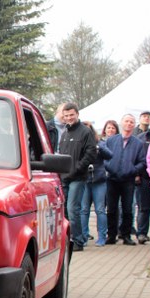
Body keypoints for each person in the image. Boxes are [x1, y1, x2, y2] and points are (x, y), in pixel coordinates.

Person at [58, 102, 96, 252]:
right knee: (65, 210)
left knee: (73, 209)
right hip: (64, 177)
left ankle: (78, 240)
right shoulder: (64, 133)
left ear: (77, 114)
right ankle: (68, 238)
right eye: (66, 115)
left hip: (78, 177)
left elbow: (91, 153)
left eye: (71, 115)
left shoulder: (85, 132)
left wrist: (78, 168)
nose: (69, 118)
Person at [104, 114, 146, 245]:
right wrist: (110, 167)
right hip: (112, 178)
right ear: (122, 123)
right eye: (127, 121)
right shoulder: (111, 141)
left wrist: (132, 170)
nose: (129, 124)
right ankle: (111, 235)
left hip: (128, 180)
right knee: (111, 209)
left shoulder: (138, 143)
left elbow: (142, 162)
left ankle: (126, 235)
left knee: (127, 208)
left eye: (131, 122)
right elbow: (104, 157)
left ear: (134, 125)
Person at [80, 123, 112, 246]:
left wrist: (98, 148)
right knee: (84, 210)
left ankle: (102, 237)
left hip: (99, 180)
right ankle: (83, 237)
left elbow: (110, 155)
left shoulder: (100, 143)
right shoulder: (79, 144)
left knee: (100, 209)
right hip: (84, 180)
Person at [136, 112, 150, 243]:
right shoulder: (141, 138)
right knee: (144, 207)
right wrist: (136, 174)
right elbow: (136, 157)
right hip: (144, 177)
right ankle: (142, 233)